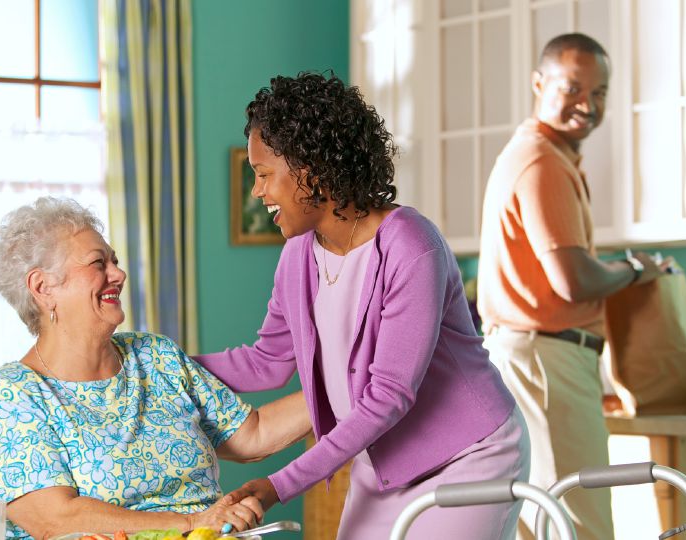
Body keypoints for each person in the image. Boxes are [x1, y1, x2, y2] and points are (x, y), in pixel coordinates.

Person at [193, 72, 530, 539]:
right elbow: (268, 362)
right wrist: (157, 362)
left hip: (469, 456)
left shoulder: (411, 246)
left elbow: (387, 396)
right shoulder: (298, 256)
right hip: (386, 459)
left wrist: (277, 485)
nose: (258, 191)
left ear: (310, 168)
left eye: (264, 174)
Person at [0, 197, 310, 540]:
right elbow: (55, 518)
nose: (118, 274)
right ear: (44, 289)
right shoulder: (11, 395)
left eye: (114, 261)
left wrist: (351, 389)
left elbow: (251, 434)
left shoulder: (154, 355)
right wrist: (192, 523)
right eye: (97, 263)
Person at [477, 33, 670, 539]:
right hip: (548, 364)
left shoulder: (539, 155)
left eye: (600, 92)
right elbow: (572, 280)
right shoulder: (542, 162)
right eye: (573, 88)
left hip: (530, 359)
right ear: (539, 84)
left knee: (542, 524)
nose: (588, 105)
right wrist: (634, 268)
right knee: (578, 526)